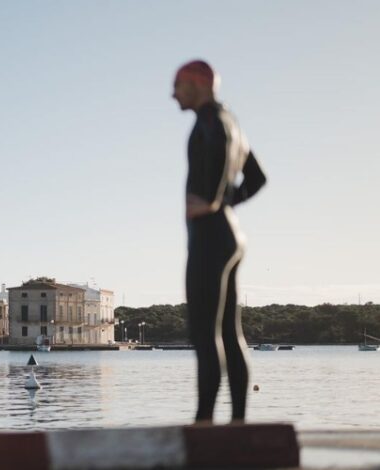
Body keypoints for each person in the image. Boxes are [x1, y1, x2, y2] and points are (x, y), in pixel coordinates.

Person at [172, 60, 267, 423]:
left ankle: (204, 424)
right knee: (229, 332)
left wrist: (212, 199)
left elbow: (224, 149)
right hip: (231, 236)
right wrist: (228, 201)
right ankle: (239, 422)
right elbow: (257, 177)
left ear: (198, 84)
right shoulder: (233, 123)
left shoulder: (211, 120)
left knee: (204, 332)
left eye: (178, 85)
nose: (173, 93)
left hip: (211, 237)